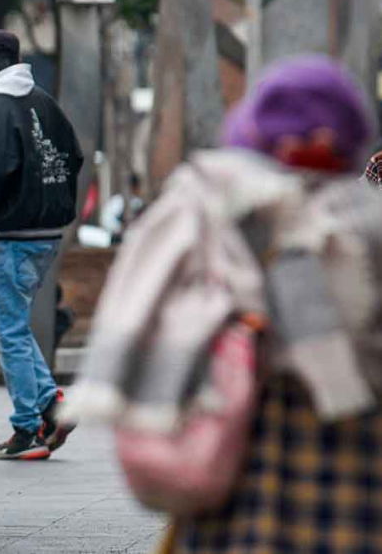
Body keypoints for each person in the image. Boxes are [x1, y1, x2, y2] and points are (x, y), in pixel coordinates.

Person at [66, 56, 382, 553]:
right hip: (354, 500)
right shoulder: (367, 226)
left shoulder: (206, 215)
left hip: (234, 507)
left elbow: (144, 316)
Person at [0, 30, 84, 460]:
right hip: (48, 232)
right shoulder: (44, 101)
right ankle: (52, 407)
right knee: (15, 325)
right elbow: (73, 156)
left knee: (11, 332)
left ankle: (27, 428)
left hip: (15, 236)